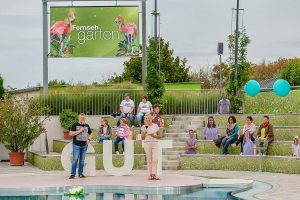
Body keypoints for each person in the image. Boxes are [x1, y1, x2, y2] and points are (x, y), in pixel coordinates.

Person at [69, 113, 92, 179]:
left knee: (82, 160)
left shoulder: (87, 125)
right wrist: (79, 131)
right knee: (75, 159)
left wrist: (89, 139)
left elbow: (91, 133)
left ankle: (80, 174)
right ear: (78, 118)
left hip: (84, 145)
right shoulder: (74, 125)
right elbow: (71, 134)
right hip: (76, 145)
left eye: (83, 118)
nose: (82, 119)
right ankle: (73, 174)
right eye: (81, 117)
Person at [141, 113, 161, 180]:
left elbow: (159, 136)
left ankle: (154, 174)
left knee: (155, 159)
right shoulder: (144, 127)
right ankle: (150, 175)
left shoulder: (155, 126)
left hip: (155, 143)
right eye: (146, 118)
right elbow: (142, 138)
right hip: (147, 143)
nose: (147, 119)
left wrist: (153, 135)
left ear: (151, 118)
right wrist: (144, 132)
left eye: (148, 118)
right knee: (149, 159)